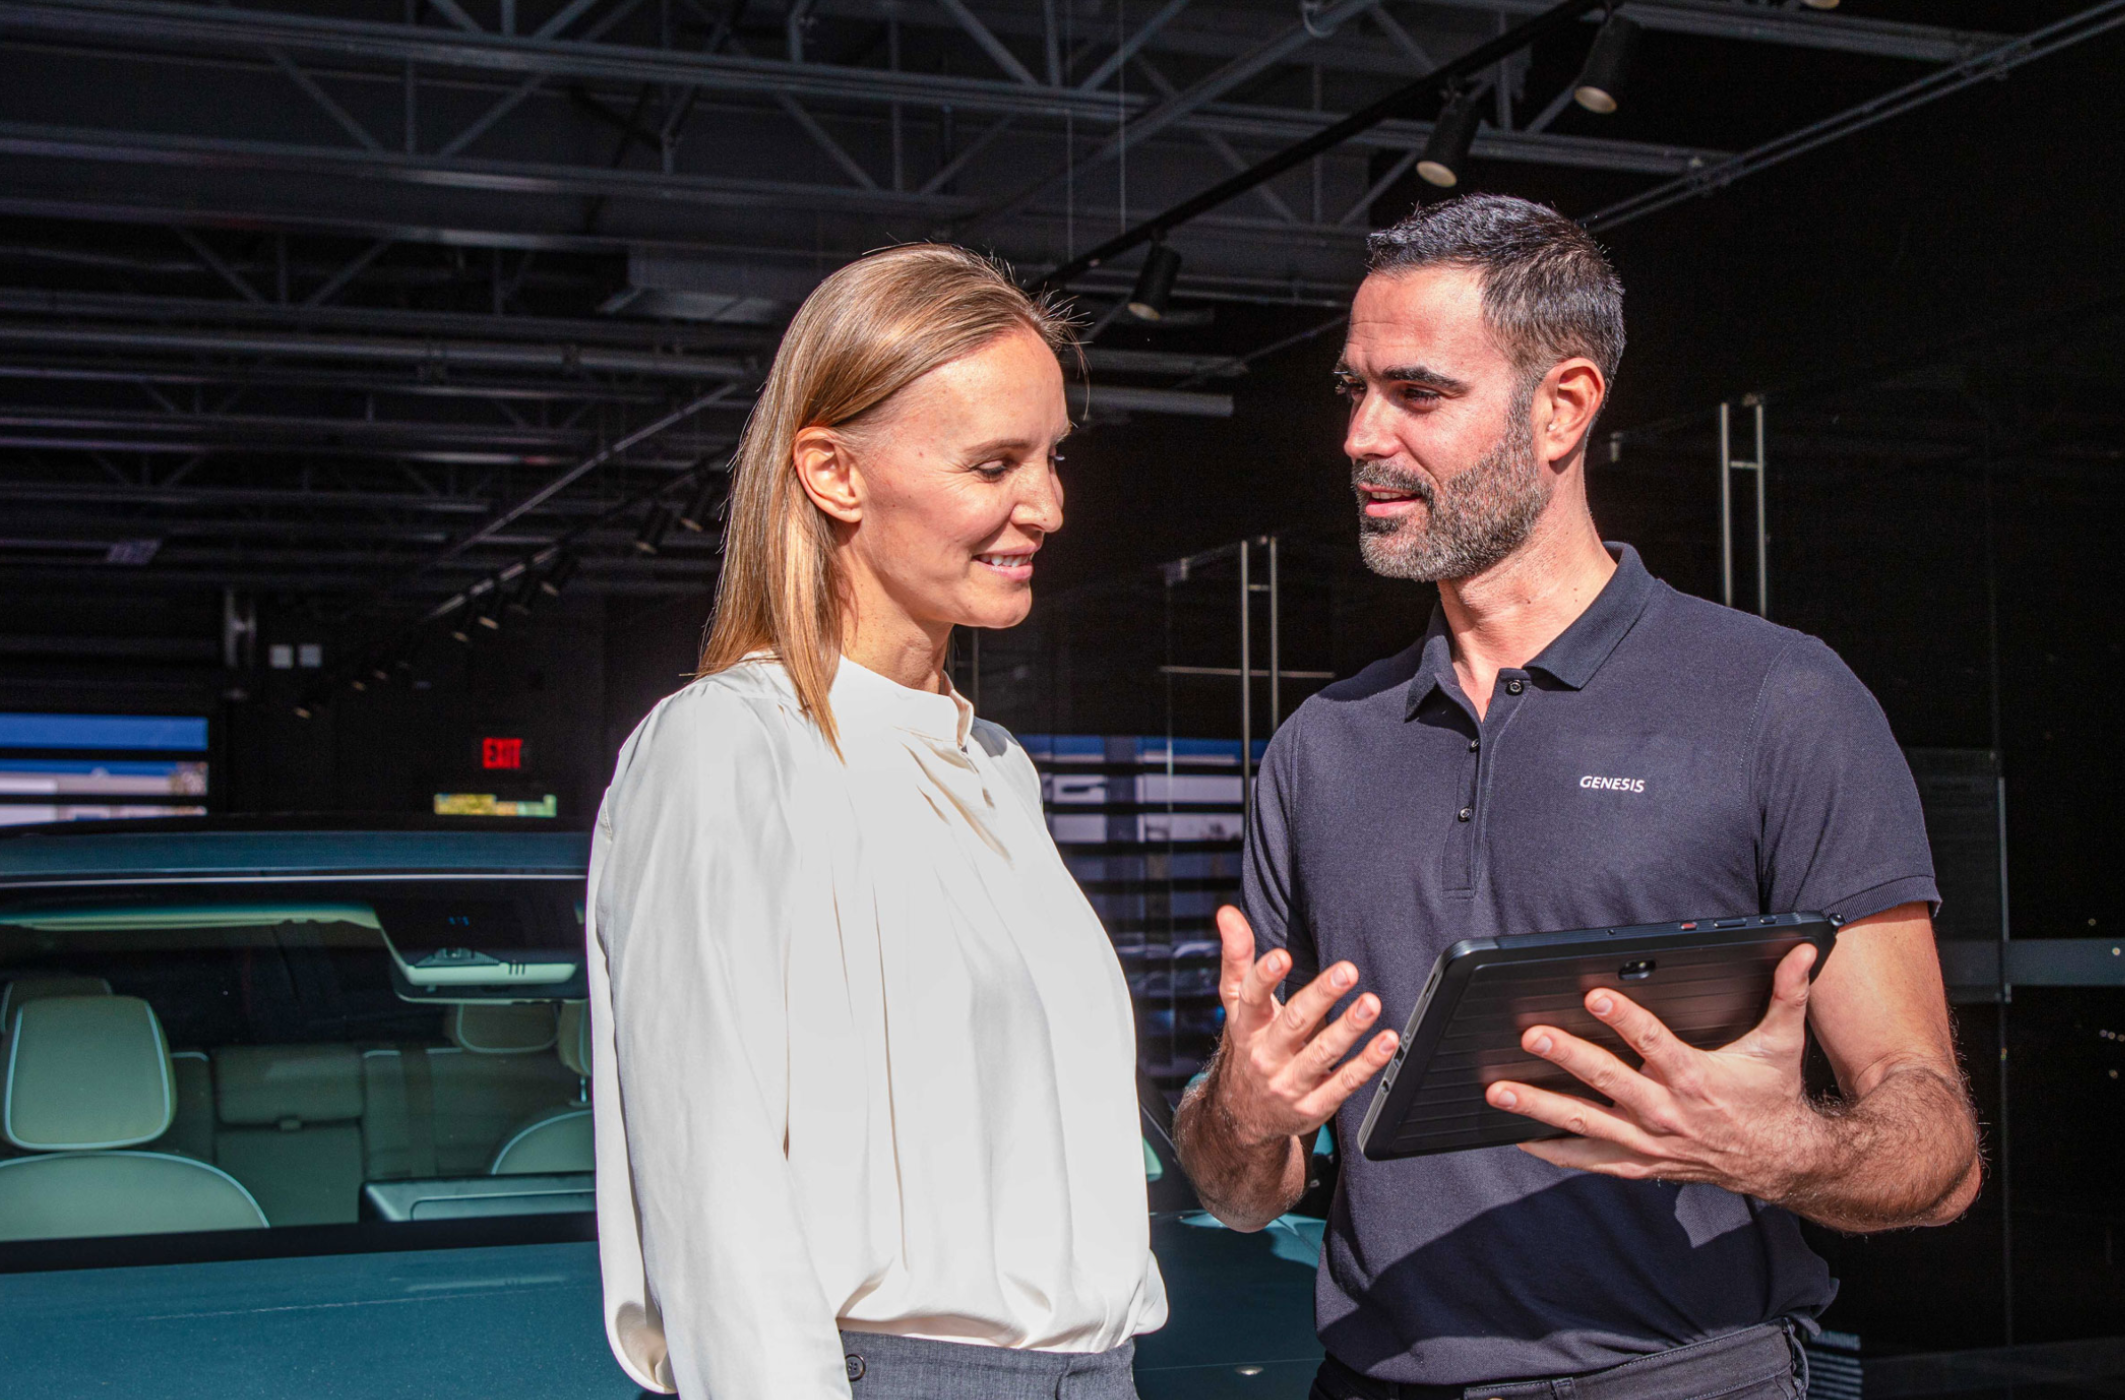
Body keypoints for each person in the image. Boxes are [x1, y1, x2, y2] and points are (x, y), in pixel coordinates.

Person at [1171, 194, 1984, 1400]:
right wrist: (1239, 1115)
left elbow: (1940, 1148)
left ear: (1562, 407)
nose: (1361, 436)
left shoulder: (1777, 699)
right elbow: (1245, 1194)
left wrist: (1781, 1146)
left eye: (1418, 392)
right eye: (1356, 390)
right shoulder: (1320, 748)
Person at [586, 244, 1166, 1400]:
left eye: (1052, 456)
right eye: (994, 462)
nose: (1048, 505)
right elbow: (716, 1204)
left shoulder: (997, 768)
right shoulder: (725, 749)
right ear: (833, 472)